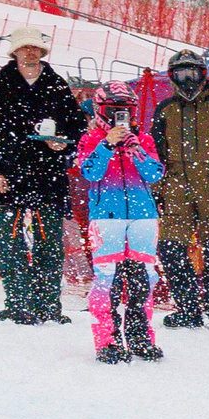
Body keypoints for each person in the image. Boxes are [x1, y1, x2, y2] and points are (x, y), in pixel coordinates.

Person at [0, 27, 86, 323]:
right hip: (7, 175)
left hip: (46, 174)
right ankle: (18, 305)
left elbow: (77, 128)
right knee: (9, 244)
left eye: (35, 48)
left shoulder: (56, 84)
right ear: (15, 51)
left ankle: (48, 306)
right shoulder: (0, 83)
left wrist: (61, 143)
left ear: (42, 52)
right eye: (24, 48)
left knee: (49, 243)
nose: (30, 52)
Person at [149, 48, 209, 330]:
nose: (187, 80)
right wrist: (157, 189)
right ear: (172, 78)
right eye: (181, 74)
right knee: (170, 249)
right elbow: (156, 154)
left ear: (202, 75)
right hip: (176, 189)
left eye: (192, 73)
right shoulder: (165, 110)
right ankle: (188, 308)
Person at [77, 100, 166, 363]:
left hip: (143, 217)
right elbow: (90, 172)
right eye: (114, 109)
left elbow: (154, 174)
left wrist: (135, 148)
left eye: (125, 109)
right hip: (107, 218)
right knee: (107, 281)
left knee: (143, 280)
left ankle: (141, 339)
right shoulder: (90, 138)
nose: (120, 115)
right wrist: (106, 144)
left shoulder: (144, 139)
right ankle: (108, 341)